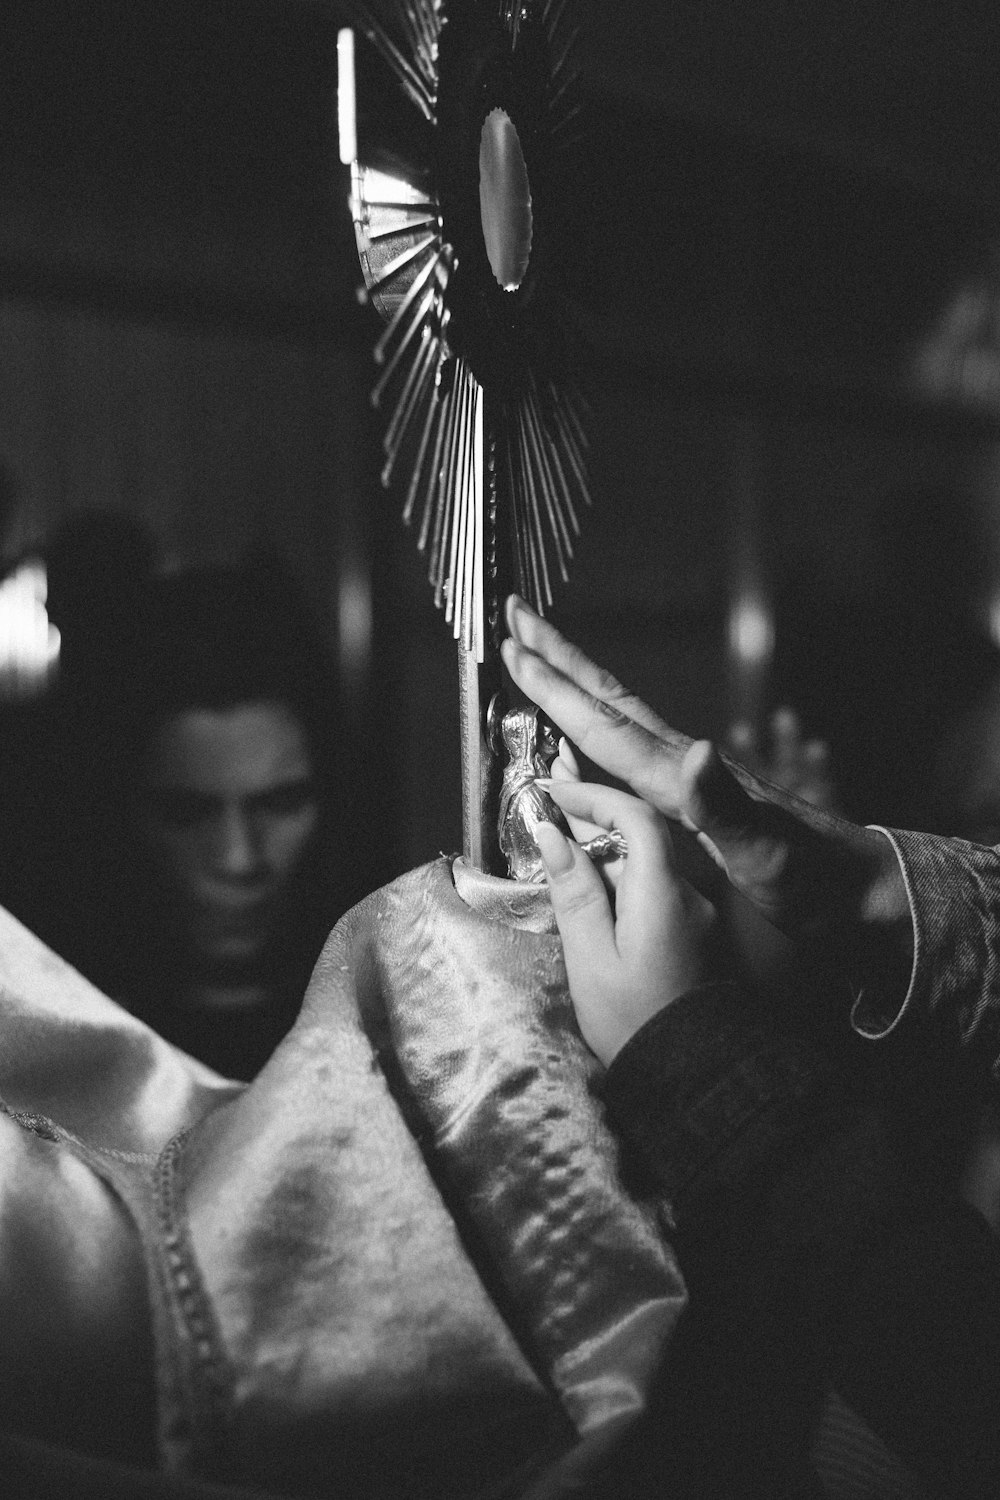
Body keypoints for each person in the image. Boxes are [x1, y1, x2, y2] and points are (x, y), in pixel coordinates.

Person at [93, 560, 349, 1080]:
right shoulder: (64, 1046)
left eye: (280, 805)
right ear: (124, 810)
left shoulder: (403, 1025)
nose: (239, 858)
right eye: (186, 813)